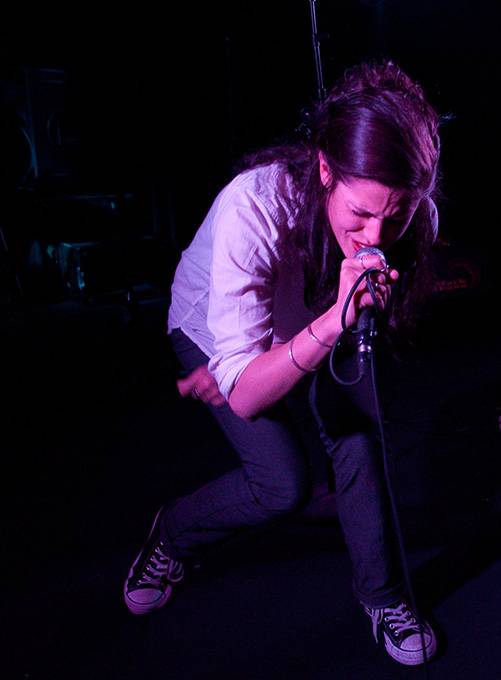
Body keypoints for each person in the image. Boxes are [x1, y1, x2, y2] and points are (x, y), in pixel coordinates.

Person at [123, 61, 441, 666]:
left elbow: (352, 309)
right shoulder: (254, 206)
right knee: (282, 484)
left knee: (358, 438)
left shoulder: (405, 210)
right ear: (325, 169)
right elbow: (244, 392)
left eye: (395, 216)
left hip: (312, 316)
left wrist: (332, 326)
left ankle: (382, 597)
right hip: (212, 328)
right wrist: (321, 331)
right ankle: (172, 532)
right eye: (361, 214)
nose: (376, 235)